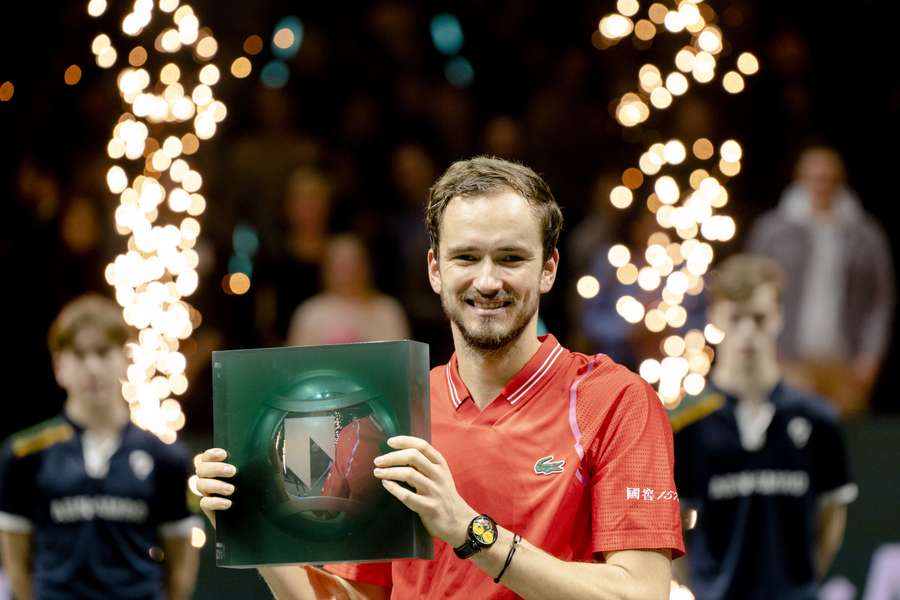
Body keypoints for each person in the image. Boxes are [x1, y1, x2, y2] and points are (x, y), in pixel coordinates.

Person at [196, 156, 684, 599]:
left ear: (548, 269)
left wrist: (471, 531)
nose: (488, 281)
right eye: (466, 258)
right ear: (435, 269)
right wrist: (249, 523)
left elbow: (639, 594)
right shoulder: (395, 409)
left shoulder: (616, 399)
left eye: (511, 258)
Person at [669, 254, 857, 600]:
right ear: (715, 317)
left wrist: (802, 581)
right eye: (736, 318)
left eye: (759, 318)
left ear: (778, 317)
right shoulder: (686, 423)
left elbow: (831, 519)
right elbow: (673, 524)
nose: (747, 332)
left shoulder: (818, 419)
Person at [0, 294, 201, 600]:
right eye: (79, 355)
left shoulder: (166, 457)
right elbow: (15, 562)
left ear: (125, 359)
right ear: (59, 366)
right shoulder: (23, 454)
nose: (92, 366)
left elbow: (182, 568)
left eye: (103, 352)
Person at [745, 145, 895, 416]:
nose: (821, 185)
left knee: (845, 442)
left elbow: (880, 299)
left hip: (845, 363)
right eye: (815, 177)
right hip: (790, 359)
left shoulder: (864, 234)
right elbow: (753, 292)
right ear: (800, 179)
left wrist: (870, 356)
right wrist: (767, 347)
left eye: (828, 178)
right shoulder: (774, 231)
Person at [286, 233, 410, 346]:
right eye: (340, 264)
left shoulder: (387, 310)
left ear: (366, 266)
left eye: (353, 262)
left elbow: (399, 361)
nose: (347, 270)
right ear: (326, 269)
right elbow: (297, 365)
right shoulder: (309, 314)